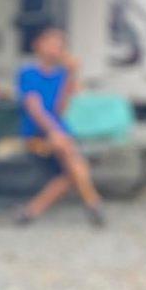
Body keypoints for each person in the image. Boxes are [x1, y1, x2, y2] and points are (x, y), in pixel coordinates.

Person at [13, 27, 106, 227]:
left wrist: (72, 75)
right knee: (74, 161)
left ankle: (29, 212)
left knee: (71, 171)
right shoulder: (28, 73)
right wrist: (53, 131)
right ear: (38, 45)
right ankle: (93, 201)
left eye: (60, 44)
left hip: (60, 136)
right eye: (52, 42)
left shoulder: (62, 74)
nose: (57, 48)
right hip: (37, 137)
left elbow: (60, 109)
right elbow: (34, 109)